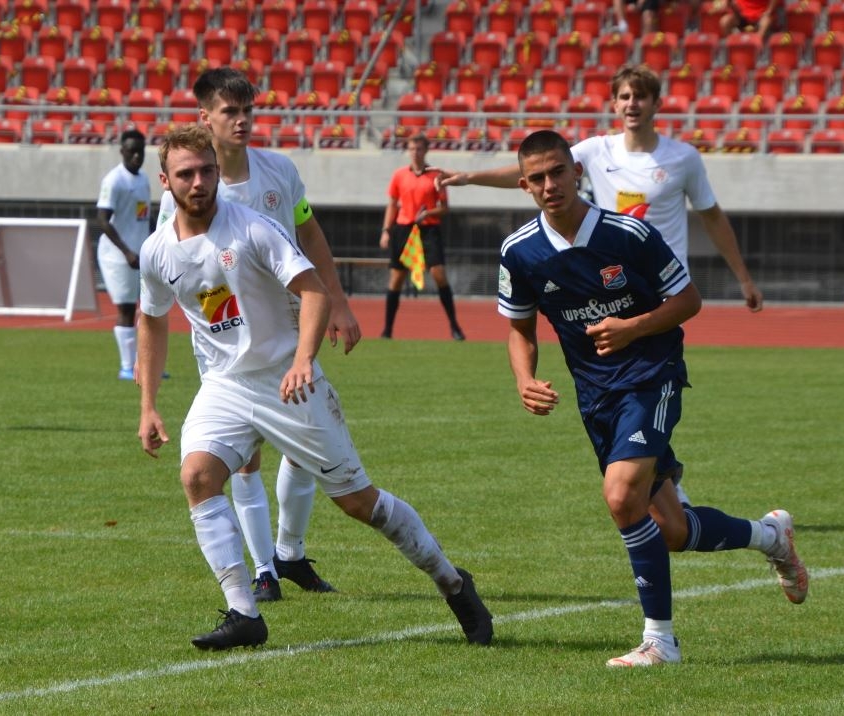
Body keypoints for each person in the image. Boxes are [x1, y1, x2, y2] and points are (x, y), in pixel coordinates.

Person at [137, 125, 493, 650]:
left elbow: (314, 291)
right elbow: (150, 319)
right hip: (224, 385)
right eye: (186, 174)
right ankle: (244, 613)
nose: (199, 182)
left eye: (207, 170)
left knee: (359, 503)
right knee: (197, 476)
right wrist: (148, 404)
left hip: (287, 380)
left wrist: (303, 358)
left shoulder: (253, 228)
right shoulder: (156, 250)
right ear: (165, 181)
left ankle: (453, 582)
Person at [497, 130, 807, 666]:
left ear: (577, 172)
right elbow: (520, 328)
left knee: (621, 498)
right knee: (671, 530)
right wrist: (524, 378)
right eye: (538, 178)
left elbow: (688, 300)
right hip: (595, 394)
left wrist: (633, 327)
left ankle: (660, 642)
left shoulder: (628, 234)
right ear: (524, 186)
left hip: (651, 374)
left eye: (558, 172)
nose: (550, 185)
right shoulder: (519, 252)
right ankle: (771, 536)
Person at [437, 63, 764, 506]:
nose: (632, 104)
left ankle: (650, 471)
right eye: (625, 96)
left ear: (657, 103)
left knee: (627, 477)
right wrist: (469, 177)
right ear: (614, 104)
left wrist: (743, 276)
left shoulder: (683, 158)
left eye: (640, 96)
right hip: (594, 282)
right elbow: (535, 167)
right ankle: (668, 484)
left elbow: (712, 217)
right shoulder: (593, 150)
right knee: (653, 505)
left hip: (653, 290)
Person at [156, 67, 361, 603]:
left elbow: (309, 231)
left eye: (248, 110)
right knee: (245, 457)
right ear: (205, 118)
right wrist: (232, 320)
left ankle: (289, 552)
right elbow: (183, 269)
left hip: (292, 326)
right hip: (229, 345)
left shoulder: (279, 171)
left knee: (303, 447)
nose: (242, 120)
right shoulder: (185, 190)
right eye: (230, 111)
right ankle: (264, 569)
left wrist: (337, 301)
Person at [379, 133, 465, 341]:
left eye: (419, 149)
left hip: (428, 229)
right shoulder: (399, 175)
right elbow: (392, 204)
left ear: (426, 151)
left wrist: (428, 213)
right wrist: (386, 230)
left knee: (438, 273)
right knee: (397, 278)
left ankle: (454, 327)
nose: (415, 153)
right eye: (411, 149)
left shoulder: (436, 175)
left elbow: (444, 208)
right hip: (403, 228)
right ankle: (387, 330)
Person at [96, 128, 153, 381]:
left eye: (140, 151)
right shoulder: (114, 180)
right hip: (118, 256)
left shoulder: (144, 179)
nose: (136, 156)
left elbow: (144, 216)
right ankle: (126, 366)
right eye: (131, 151)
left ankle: (145, 364)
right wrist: (126, 251)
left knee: (149, 308)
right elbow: (102, 220)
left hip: (140, 253)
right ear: (122, 151)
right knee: (127, 308)